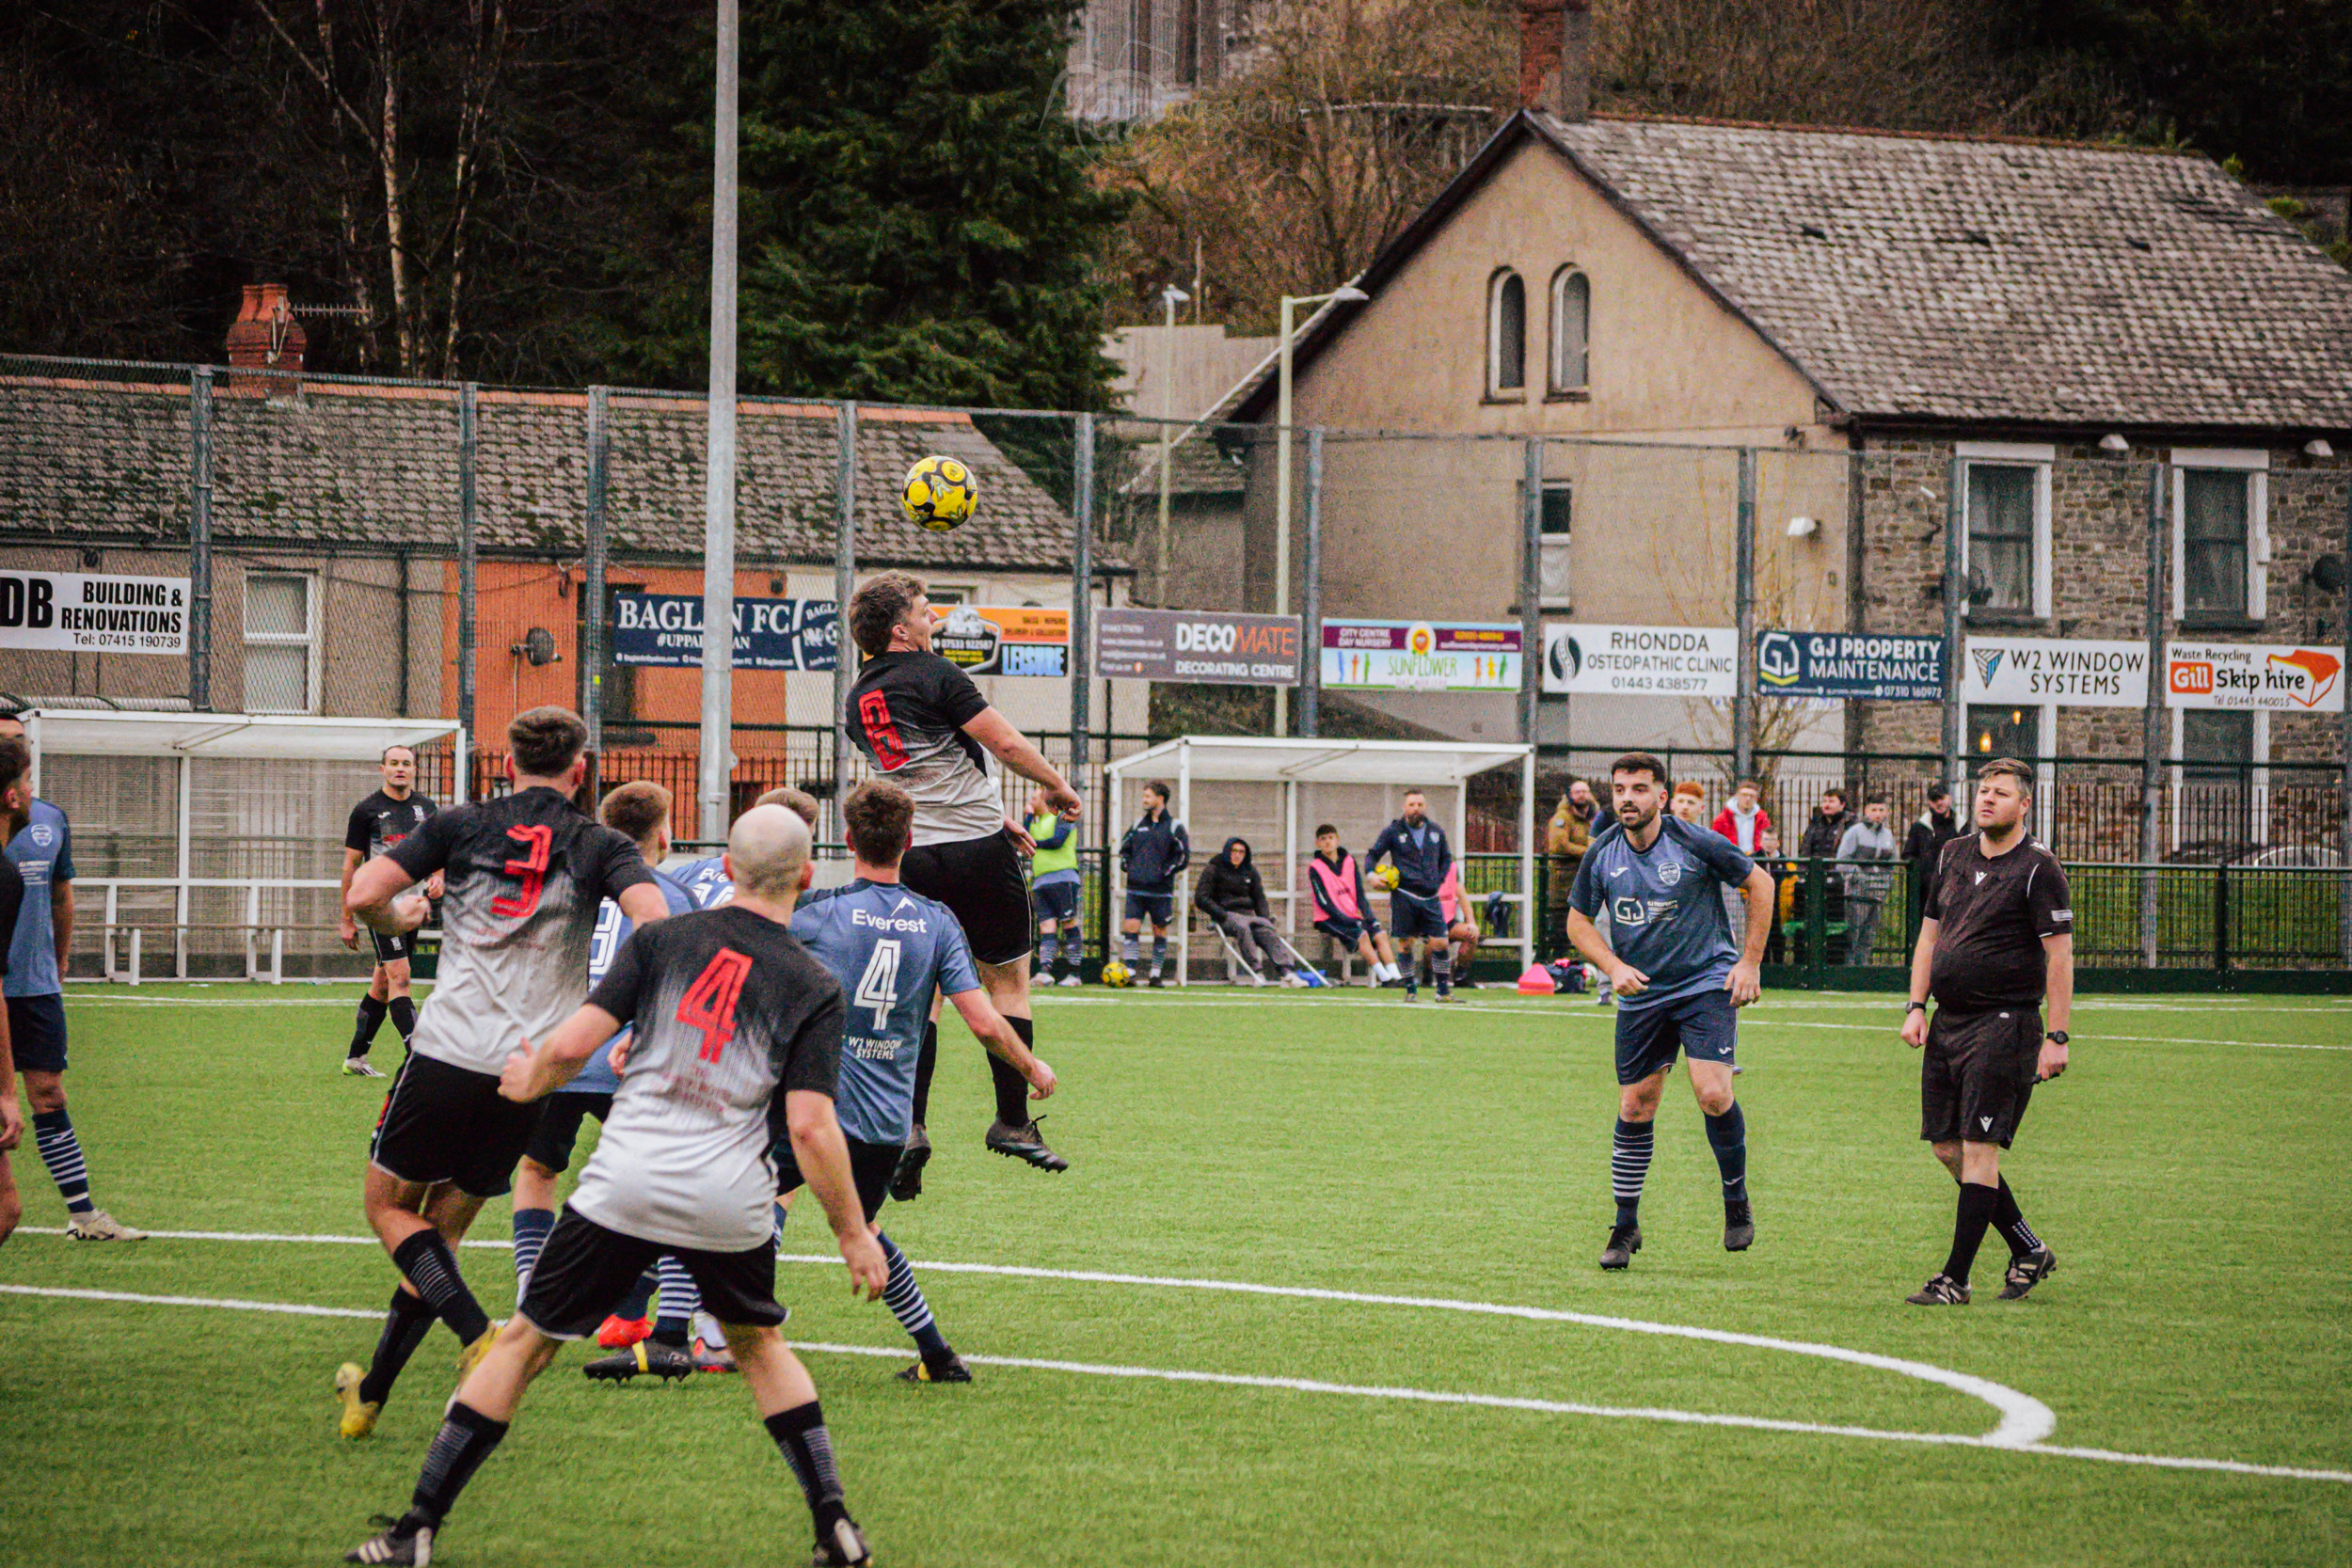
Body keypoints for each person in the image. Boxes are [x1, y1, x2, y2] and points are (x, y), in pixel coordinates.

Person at [341, 805, 888, 1568]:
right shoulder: (813, 981)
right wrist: (854, 1233)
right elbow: (810, 1128)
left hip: (627, 1176)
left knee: (526, 1343)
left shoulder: (664, 940)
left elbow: (574, 1041)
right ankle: (836, 1527)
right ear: (806, 875)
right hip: (729, 1194)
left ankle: (416, 1529)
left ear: (724, 869)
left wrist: (532, 1073)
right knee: (761, 1346)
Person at [334, 707, 671, 1442]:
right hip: (529, 1070)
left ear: (508, 762)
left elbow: (364, 897)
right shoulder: (597, 841)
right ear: (580, 770)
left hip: (448, 1051)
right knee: (440, 1236)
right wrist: (616, 1011)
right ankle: (373, 1391)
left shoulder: (461, 824)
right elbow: (655, 923)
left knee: (390, 1208)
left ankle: (474, 1331)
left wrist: (412, 910)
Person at [843, 571, 1081, 1194]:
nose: (934, 622)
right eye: (926, 612)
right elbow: (999, 740)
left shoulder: (857, 700)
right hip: (978, 855)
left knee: (924, 996)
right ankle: (1012, 1121)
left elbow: (915, 780)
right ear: (900, 629)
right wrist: (1056, 786)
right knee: (1007, 982)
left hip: (916, 855)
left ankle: (911, 1126)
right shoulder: (937, 674)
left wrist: (987, 810)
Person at [507, 782, 699, 1360]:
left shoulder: (562, 888)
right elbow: (681, 987)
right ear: (662, 835)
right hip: (628, 1060)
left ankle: (529, 1298)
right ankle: (637, 1308)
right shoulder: (672, 895)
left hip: (558, 1053)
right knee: (665, 1184)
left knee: (538, 1169)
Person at [1565, 752, 1776, 1271]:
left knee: (1712, 1091)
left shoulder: (1693, 841)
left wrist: (1749, 963)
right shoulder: (1603, 852)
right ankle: (1625, 1223)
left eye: (1638, 789)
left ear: (1661, 797)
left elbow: (1761, 885)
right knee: (1636, 1105)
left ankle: (1736, 1201)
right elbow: (1577, 923)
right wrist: (1612, 966)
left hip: (1705, 980)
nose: (1626, 798)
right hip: (1642, 992)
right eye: (1618, 789)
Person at [1900, 758, 2070, 1307]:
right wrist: (1915, 1005)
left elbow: (2059, 955)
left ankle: (1955, 1278)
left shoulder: (2039, 868)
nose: (1987, 799)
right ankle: (2028, 1248)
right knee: (1948, 1149)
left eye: (2001, 792)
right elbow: (1929, 937)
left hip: (2005, 1023)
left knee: (1979, 1150)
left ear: (2025, 805)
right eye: (1982, 790)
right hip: (1948, 1021)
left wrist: (2058, 1036)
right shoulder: (1951, 853)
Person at [0, 712, 142, 1241]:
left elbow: (62, 896)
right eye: (5, 743)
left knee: (48, 1094)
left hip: (33, 986)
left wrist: (59, 958)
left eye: (19, 741)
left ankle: (82, 1214)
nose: (15, 750)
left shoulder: (50, 820)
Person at [336, 746, 442, 1078]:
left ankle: (355, 1058)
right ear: (382, 769)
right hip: (381, 907)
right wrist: (346, 917)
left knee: (383, 984)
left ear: (414, 770)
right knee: (401, 977)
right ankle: (418, 1058)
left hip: (412, 907)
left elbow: (437, 853)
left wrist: (438, 877)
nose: (400, 769)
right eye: (394, 763)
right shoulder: (366, 811)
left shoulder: (427, 809)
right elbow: (351, 865)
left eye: (406, 764)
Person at [1367, 789, 1454, 1003]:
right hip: (1404, 895)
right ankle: (1410, 989)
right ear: (1405, 808)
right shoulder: (1393, 831)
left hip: (1430, 896)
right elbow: (1373, 854)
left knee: (1441, 942)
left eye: (1420, 805)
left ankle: (1442, 991)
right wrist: (1371, 875)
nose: (1417, 808)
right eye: (1412, 805)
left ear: (1425, 807)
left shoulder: (1436, 831)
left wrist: (1439, 879)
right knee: (1406, 944)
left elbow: (1446, 858)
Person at [1194, 837, 1304, 986]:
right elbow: (1201, 897)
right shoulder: (1214, 867)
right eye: (1234, 851)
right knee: (1243, 928)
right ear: (1227, 851)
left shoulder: (1250, 870)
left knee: (1267, 931)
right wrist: (1220, 913)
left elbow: (1259, 898)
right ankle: (1256, 971)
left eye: (1241, 852)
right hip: (1226, 915)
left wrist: (1265, 918)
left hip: (1248, 915)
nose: (1238, 855)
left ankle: (1286, 972)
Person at [1306, 825, 1402, 986]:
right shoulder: (1315, 868)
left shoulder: (1349, 862)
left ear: (1337, 840)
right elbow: (1324, 902)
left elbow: (1359, 894)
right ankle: (1385, 978)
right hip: (1328, 918)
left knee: (1380, 934)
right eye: (1323, 839)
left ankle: (1397, 977)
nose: (1327, 842)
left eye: (1330, 838)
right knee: (1361, 935)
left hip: (1352, 916)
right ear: (1318, 843)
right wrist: (1348, 920)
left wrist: (1370, 918)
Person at [1118, 779, 1189, 988]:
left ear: (1160, 799)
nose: (1144, 800)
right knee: (1131, 927)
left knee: (1160, 931)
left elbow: (1183, 857)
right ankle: (1129, 972)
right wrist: (1129, 867)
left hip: (1161, 892)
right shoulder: (1138, 824)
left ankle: (1155, 974)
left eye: (1148, 796)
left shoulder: (1175, 827)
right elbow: (1124, 850)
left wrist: (1163, 873)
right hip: (1136, 889)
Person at [0, 738, 28, 1251]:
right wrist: (6, 1091)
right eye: (27, 781)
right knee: (4, 1208)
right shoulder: (4, 877)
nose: (32, 791)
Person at [1027, 790, 1084, 988]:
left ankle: (1074, 973)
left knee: (1068, 923)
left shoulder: (1061, 819)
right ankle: (1045, 972)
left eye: (1033, 799)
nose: (1030, 802)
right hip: (1041, 881)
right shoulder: (1035, 823)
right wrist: (1027, 816)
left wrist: (1034, 844)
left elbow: (1057, 841)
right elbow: (1021, 839)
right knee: (1046, 927)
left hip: (1063, 878)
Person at [1837, 793, 1899, 966]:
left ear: (1887, 812)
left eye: (1881, 810)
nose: (1877, 813)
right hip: (1857, 895)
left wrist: (1885, 883)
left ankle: (1863, 969)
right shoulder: (1854, 832)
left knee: (1869, 935)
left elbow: (1893, 863)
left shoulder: (1888, 835)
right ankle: (1849, 971)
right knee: (1852, 935)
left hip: (1878, 894)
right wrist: (1859, 879)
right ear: (1866, 811)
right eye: (1873, 809)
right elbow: (1842, 861)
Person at [1799, 786, 1852, 961]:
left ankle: (1834, 962)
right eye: (1825, 801)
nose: (1826, 805)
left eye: (1831, 801)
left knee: (1835, 924)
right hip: (1814, 880)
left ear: (1842, 804)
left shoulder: (1850, 824)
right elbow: (1805, 848)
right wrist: (1803, 874)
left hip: (1837, 882)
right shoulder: (1815, 823)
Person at [1903, 781, 1963, 938]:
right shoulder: (1919, 827)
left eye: (1942, 798)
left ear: (1949, 799)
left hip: (1954, 887)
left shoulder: (1961, 826)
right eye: (1935, 799)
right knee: (1923, 930)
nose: (1939, 803)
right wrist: (1921, 875)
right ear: (1929, 802)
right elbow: (1909, 853)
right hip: (1925, 890)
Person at [1755, 830, 1797, 966]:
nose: (1769, 843)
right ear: (1760, 842)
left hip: (1779, 909)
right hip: (1759, 909)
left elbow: (1792, 883)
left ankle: (1780, 972)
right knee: (1761, 945)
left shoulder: (1786, 863)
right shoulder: (1753, 860)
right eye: (1766, 839)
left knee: (1779, 941)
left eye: (1772, 840)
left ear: (1778, 843)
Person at [1437, 862, 1481, 989]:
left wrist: (1471, 923)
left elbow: (1463, 897)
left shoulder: (1451, 869)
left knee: (1470, 934)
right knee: (1435, 943)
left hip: (1448, 922)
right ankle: (1426, 977)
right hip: (1428, 922)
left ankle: (1460, 975)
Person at [1710, 778, 1771, 855]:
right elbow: (1714, 842)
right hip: (1731, 860)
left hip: (1757, 860)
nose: (1748, 799)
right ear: (1737, 796)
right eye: (1744, 795)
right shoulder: (1723, 819)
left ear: (1756, 799)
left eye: (1751, 796)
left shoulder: (1762, 819)